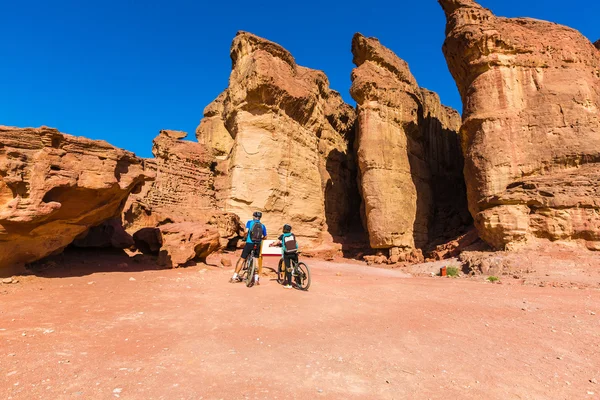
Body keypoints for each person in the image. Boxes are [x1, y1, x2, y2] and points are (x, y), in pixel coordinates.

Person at [230, 211, 267, 285]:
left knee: (242, 259)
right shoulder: (262, 226)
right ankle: (256, 279)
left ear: (253, 216)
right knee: (256, 259)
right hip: (257, 244)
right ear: (260, 218)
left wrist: (244, 237)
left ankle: (234, 277)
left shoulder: (250, 222)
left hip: (249, 243)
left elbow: (246, 231)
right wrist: (260, 239)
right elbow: (265, 236)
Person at [271, 224, 299, 289]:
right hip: (294, 252)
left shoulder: (283, 236)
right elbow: (295, 243)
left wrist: (272, 244)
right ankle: (299, 282)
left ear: (284, 230)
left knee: (288, 268)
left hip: (287, 253)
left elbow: (276, 242)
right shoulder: (292, 235)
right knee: (296, 267)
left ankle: (289, 284)